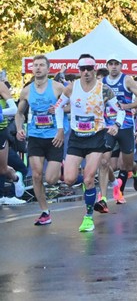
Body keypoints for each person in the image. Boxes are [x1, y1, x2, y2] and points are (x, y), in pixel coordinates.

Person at [55, 53, 125, 232]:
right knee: (69, 179)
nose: (86, 72)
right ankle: (91, 190)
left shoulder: (104, 89)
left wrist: (116, 125)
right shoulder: (71, 87)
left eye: (89, 68)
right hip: (76, 138)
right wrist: (60, 130)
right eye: (82, 69)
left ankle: (88, 217)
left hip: (96, 137)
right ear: (79, 70)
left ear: (94, 69)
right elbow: (58, 108)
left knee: (88, 178)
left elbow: (121, 110)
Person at [14, 55, 65, 224]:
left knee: (51, 179)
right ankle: (45, 211)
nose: (38, 68)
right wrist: (19, 129)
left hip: (54, 137)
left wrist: (59, 109)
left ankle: (62, 167)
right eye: (35, 65)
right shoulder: (27, 90)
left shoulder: (57, 87)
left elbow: (73, 105)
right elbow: (19, 113)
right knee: (36, 175)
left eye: (41, 65)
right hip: (35, 136)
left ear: (48, 69)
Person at [102, 54, 137, 204]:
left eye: (116, 64)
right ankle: (113, 193)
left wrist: (127, 106)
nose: (114, 66)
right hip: (109, 126)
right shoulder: (102, 82)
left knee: (125, 164)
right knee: (105, 162)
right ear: (107, 66)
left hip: (126, 126)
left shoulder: (127, 80)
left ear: (121, 66)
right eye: (111, 64)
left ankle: (135, 172)